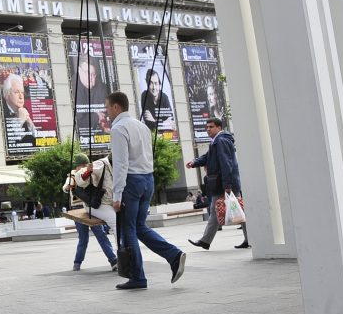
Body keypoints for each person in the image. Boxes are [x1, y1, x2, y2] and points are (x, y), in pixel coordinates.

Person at [105, 92, 186, 289]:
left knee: (129, 230)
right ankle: (174, 255)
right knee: (139, 227)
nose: (106, 112)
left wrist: (116, 195)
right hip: (147, 179)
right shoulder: (142, 126)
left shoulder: (118, 128)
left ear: (116, 107)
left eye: (107, 107)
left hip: (131, 182)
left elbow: (121, 164)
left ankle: (138, 277)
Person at [186, 117, 250, 250]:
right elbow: (208, 157)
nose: (208, 129)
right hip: (222, 183)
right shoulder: (217, 141)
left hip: (224, 183)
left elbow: (227, 164)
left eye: (211, 127)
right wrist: (194, 162)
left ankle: (206, 240)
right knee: (231, 210)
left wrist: (227, 186)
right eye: (207, 127)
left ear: (219, 127)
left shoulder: (221, 141)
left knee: (239, 210)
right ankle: (206, 240)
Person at [62, 153, 117, 271]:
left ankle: (113, 260)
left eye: (85, 165)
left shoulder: (90, 172)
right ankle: (77, 262)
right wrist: (68, 187)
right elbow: (66, 187)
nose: (83, 167)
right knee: (83, 238)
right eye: (81, 165)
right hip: (77, 210)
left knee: (101, 235)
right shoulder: (72, 175)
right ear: (76, 166)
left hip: (89, 206)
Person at [73, 50, 110, 135]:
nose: (90, 78)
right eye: (86, 73)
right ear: (79, 70)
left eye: (93, 74)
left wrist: (105, 123)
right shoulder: (72, 86)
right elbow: (78, 122)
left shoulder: (101, 86)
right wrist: (97, 116)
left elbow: (107, 111)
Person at [1, 73, 36, 147]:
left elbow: (36, 137)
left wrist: (30, 122)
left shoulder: (23, 109)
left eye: (22, 92)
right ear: (7, 95)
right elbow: (8, 141)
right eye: (16, 92)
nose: (21, 97)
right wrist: (20, 121)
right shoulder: (1, 112)